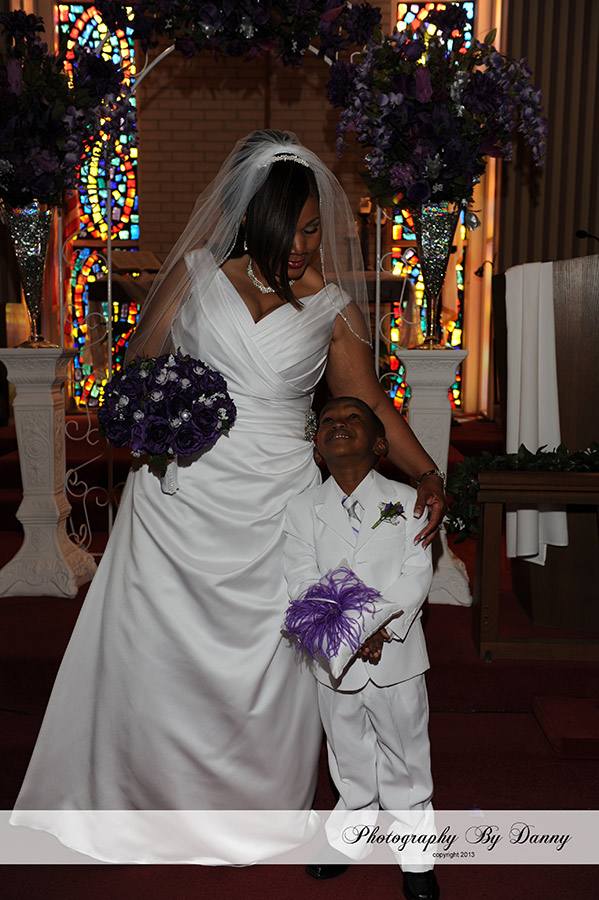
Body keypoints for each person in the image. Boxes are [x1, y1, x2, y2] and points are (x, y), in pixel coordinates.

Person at [11, 131, 446, 864]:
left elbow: (369, 401)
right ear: (248, 218)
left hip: (277, 506)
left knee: (270, 661)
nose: (303, 247)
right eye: (291, 230)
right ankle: (137, 797)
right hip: (180, 499)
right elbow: (140, 369)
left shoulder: (331, 308)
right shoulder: (194, 275)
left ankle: (253, 813)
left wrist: (428, 473)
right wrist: (156, 418)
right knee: (157, 654)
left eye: (313, 230)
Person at [284, 397, 439, 900]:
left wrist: (375, 626)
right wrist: (353, 631)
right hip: (335, 657)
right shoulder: (302, 509)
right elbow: (302, 578)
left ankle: (416, 849)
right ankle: (353, 831)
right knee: (346, 749)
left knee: (405, 752)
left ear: (380, 444)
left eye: (354, 418)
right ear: (317, 448)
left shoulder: (408, 500)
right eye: (329, 420)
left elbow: (415, 574)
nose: (339, 424)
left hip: (395, 653)